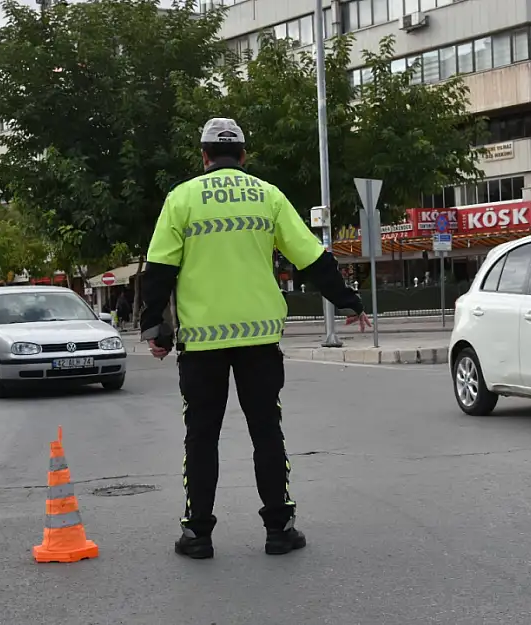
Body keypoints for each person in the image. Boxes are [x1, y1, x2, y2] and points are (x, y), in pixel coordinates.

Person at [140, 117, 370, 559]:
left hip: (202, 346)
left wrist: (157, 329)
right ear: (243, 155)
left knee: (201, 438)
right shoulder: (268, 195)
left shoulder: (181, 198)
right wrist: (348, 301)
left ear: (203, 156)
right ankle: (279, 530)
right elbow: (312, 257)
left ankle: (198, 534)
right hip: (259, 341)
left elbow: (159, 269)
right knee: (266, 432)